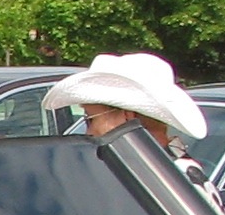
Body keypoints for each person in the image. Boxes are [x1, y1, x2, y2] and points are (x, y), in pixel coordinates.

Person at [41, 52, 216, 196]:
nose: (89, 132)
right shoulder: (167, 170)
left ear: (128, 119)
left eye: (90, 119)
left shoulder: (169, 182)